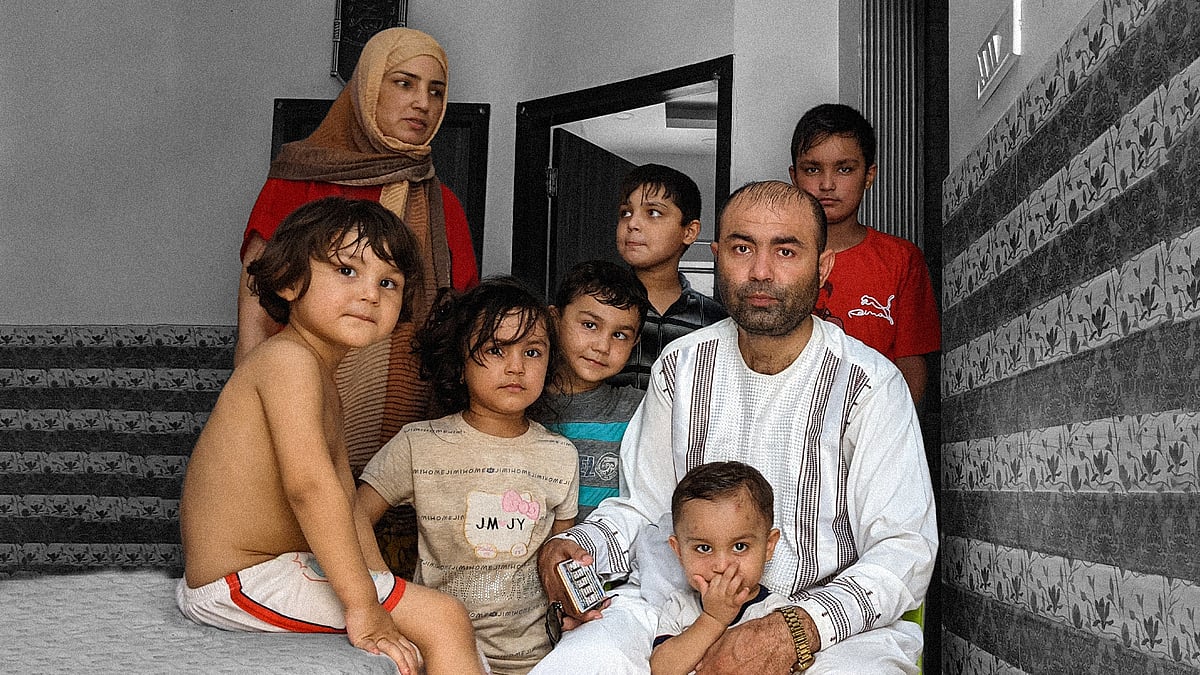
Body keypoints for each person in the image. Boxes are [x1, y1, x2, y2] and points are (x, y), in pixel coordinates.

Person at [533, 181, 937, 674]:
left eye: (786, 251)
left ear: (823, 266)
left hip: (826, 627)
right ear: (719, 257)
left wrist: (796, 627)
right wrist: (577, 548)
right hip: (676, 605)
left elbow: (903, 549)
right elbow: (645, 506)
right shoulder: (680, 366)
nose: (761, 272)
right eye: (743, 248)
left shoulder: (869, 383)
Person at [177, 197, 485, 675]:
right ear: (289, 280)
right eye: (347, 271)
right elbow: (310, 488)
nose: (370, 294)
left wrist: (383, 588)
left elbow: (344, 499)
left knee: (429, 623)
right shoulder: (288, 362)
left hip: (271, 569)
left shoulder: (320, 377)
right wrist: (365, 606)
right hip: (239, 580)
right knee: (443, 617)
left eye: (389, 283)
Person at [236, 27, 479, 473]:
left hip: (409, 423)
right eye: (403, 83)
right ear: (367, 89)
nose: (423, 103)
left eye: (436, 91)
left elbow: (457, 320)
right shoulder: (298, 179)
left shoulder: (444, 207)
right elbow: (256, 303)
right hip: (295, 398)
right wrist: (251, 408)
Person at [357, 277, 580, 675]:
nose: (516, 367)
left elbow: (558, 561)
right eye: (496, 349)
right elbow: (351, 519)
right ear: (459, 364)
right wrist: (386, 600)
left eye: (532, 352)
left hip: (537, 661)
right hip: (439, 654)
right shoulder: (419, 444)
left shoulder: (560, 456)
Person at [788, 103, 939, 403]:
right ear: (794, 176)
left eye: (844, 169)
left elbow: (912, 363)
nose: (827, 184)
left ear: (869, 176)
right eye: (812, 169)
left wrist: (893, 434)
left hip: (874, 423)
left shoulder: (901, 259)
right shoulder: (776, 256)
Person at [533, 260, 651, 519]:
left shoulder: (640, 411)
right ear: (554, 320)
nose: (602, 346)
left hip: (607, 556)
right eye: (590, 325)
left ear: (635, 343)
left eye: (620, 335)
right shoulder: (522, 404)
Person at [650, 461, 786, 675]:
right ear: (678, 551)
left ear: (768, 546)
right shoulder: (680, 606)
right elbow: (661, 669)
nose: (722, 566)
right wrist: (713, 619)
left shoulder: (775, 612)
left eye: (740, 547)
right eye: (704, 548)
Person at [609, 164, 727, 389]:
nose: (632, 224)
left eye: (653, 212)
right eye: (626, 212)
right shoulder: (598, 305)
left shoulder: (714, 320)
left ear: (689, 231)